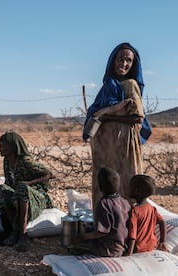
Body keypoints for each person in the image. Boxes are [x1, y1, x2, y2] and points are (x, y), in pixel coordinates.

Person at [83, 42, 152, 216]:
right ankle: (104, 224)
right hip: (105, 148)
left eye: (128, 60)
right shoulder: (107, 86)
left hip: (123, 145)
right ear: (112, 61)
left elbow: (138, 117)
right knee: (104, 183)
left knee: (125, 182)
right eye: (120, 59)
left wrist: (107, 116)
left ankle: (127, 226)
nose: (124, 63)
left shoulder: (130, 84)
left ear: (133, 64)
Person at [0, 131, 54, 252]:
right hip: (19, 194)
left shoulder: (26, 161)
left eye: (3, 146)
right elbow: (8, 182)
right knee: (2, 189)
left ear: (12, 147)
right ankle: (14, 230)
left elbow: (49, 175)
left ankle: (23, 234)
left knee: (22, 188)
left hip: (36, 196)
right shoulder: (7, 161)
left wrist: (29, 183)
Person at [70, 167, 131, 257]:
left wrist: (83, 237)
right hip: (123, 246)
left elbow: (102, 232)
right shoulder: (124, 202)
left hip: (109, 249)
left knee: (77, 247)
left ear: (100, 187)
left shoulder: (104, 204)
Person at [125, 174, 168, 255]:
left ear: (138, 191)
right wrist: (162, 241)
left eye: (130, 187)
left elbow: (132, 235)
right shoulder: (151, 208)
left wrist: (129, 254)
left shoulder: (134, 211)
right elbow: (162, 222)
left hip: (137, 248)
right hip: (151, 246)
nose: (128, 189)